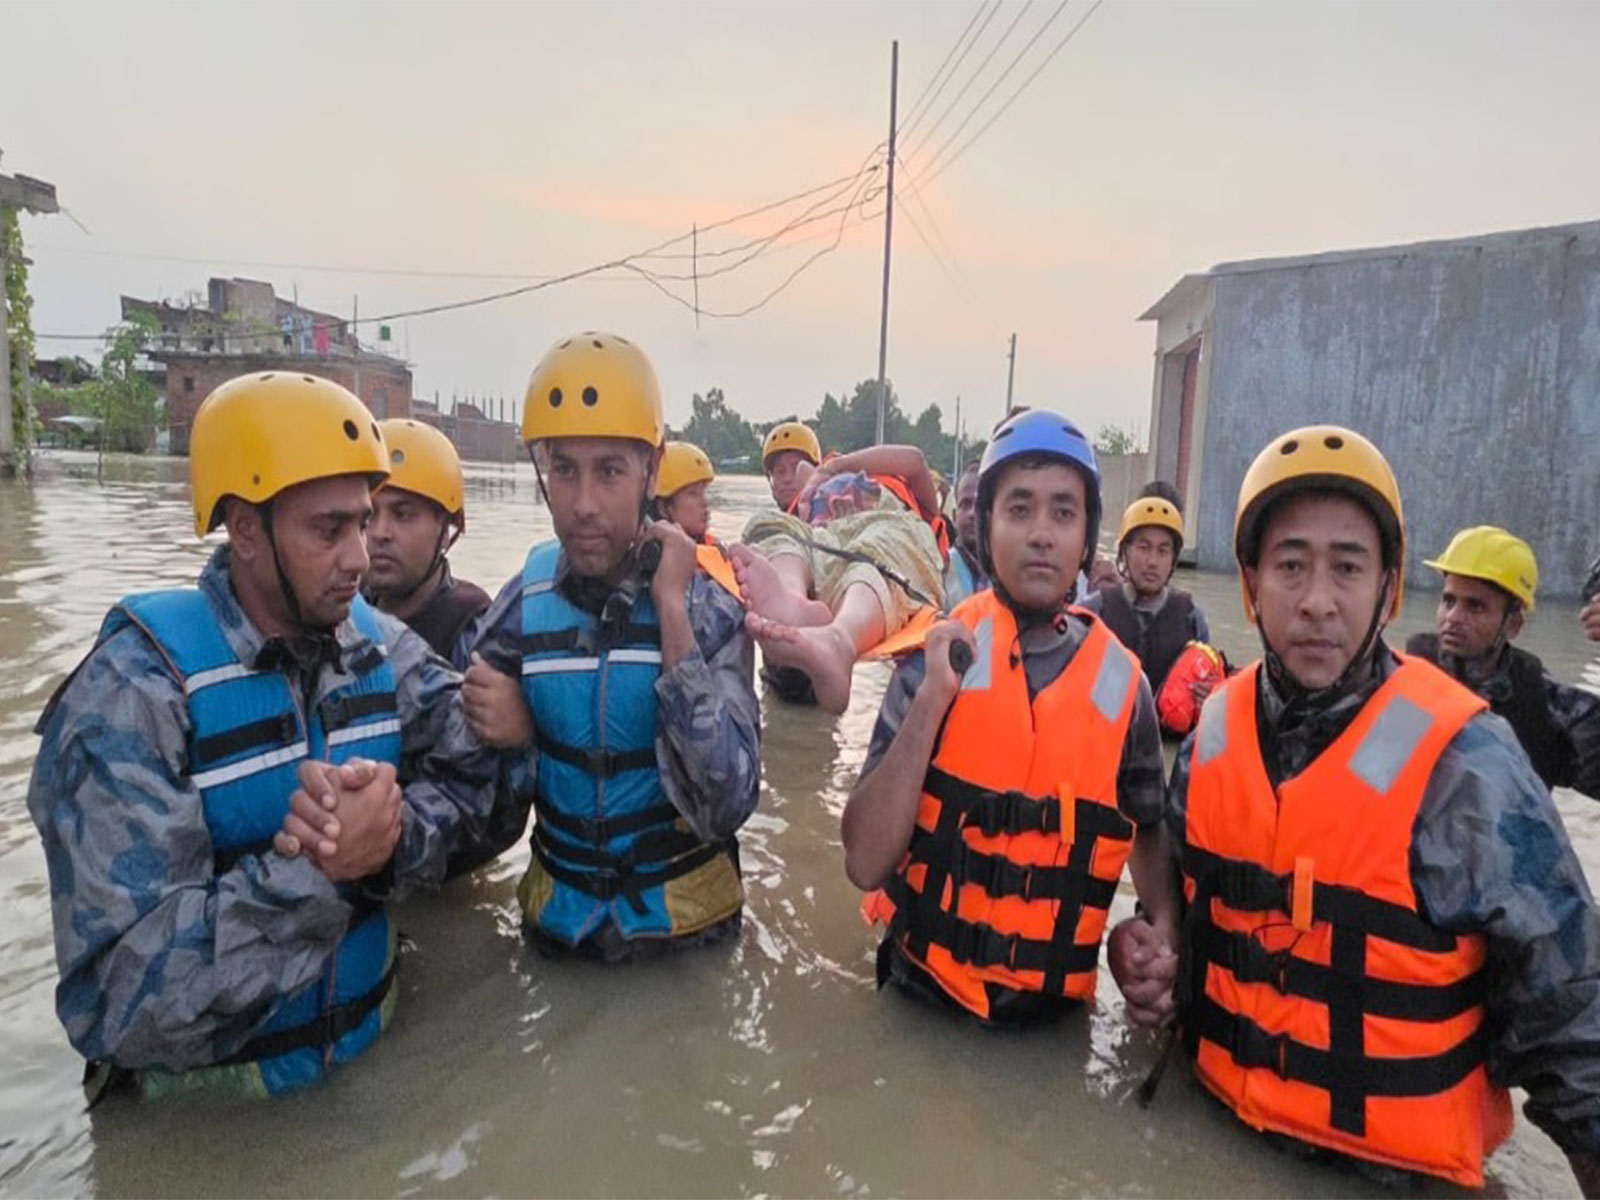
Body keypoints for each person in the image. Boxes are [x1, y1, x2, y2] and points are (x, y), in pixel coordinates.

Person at [1107, 426, 1600, 1194]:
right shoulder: (1211, 734)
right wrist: (1148, 951)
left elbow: (1575, 1036)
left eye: (1347, 567)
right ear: (1250, 585)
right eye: (1291, 566)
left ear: (1387, 589)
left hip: (1388, 1177)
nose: (1316, 602)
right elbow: (1175, 906)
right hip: (1206, 1141)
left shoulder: (1471, 764)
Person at [27, 372, 501, 1100]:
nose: (360, 555)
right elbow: (123, 1003)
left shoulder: (379, 647)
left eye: (364, 520)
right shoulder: (131, 693)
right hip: (206, 1135)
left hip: (367, 1087)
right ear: (244, 528)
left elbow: (488, 767)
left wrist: (391, 840)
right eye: (328, 529)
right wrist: (323, 870)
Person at [842, 409, 1178, 1025]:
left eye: (1063, 512)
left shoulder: (1125, 687)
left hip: (1051, 1024)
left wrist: (1162, 953)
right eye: (1019, 510)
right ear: (988, 526)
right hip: (922, 996)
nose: (1042, 533)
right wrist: (929, 706)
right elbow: (864, 861)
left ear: (1087, 537)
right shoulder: (935, 654)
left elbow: (1149, 831)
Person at [460, 331, 763, 962]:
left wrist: (672, 615)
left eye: (610, 471)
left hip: (685, 945)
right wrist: (519, 741)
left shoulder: (710, 609)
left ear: (651, 469)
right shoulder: (525, 600)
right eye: (564, 470)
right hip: (560, 935)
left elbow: (728, 801)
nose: (584, 504)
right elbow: (464, 786)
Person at [734, 439, 948, 714]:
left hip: (883, 527)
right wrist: (820, 476)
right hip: (824, 537)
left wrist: (835, 466)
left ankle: (839, 640)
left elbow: (915, 459)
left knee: (875, 560)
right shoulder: (811, 492)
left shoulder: (911, 503)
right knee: (771, 528)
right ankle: (792, 599)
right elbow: (802, 470)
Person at [1406, 525, 1600, 798]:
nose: (1453, 617)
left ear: (1513, 625)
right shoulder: (1397, 681)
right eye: (1448, 600)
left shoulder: (1542, 705)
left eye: (1475, 606)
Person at [363, 417, 491, 667]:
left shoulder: (473, 634)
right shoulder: (340, 615)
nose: (380, 533)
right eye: (369, 514)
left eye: (403, 515)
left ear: (445, 530)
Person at [1081, 496, 1213, 697]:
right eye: (1144, 548)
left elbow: (1210, 680)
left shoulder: (1192, 618)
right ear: (1125, 551)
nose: (1152, 561)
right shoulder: (1093, 611)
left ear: (1173, 559)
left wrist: (1207, 695)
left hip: (1166, 727)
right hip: (1109, 726)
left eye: (1163, 551)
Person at [652, 439, 739, 596]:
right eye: (693, 494)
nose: (705, 502)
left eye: (704, 492)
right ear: (664, 508)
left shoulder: (717, 549)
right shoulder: (657, 563)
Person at [942, 461, 988, 607]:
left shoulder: (1010, 574)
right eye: (965, 504)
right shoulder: (939, 568)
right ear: (955, 516)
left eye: (981, 504)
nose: (973, 513)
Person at [760, 420, 821, 514]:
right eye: (780, 471)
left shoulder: (832, 520)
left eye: (797, 469)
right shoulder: (766, 526)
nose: (787, 479)